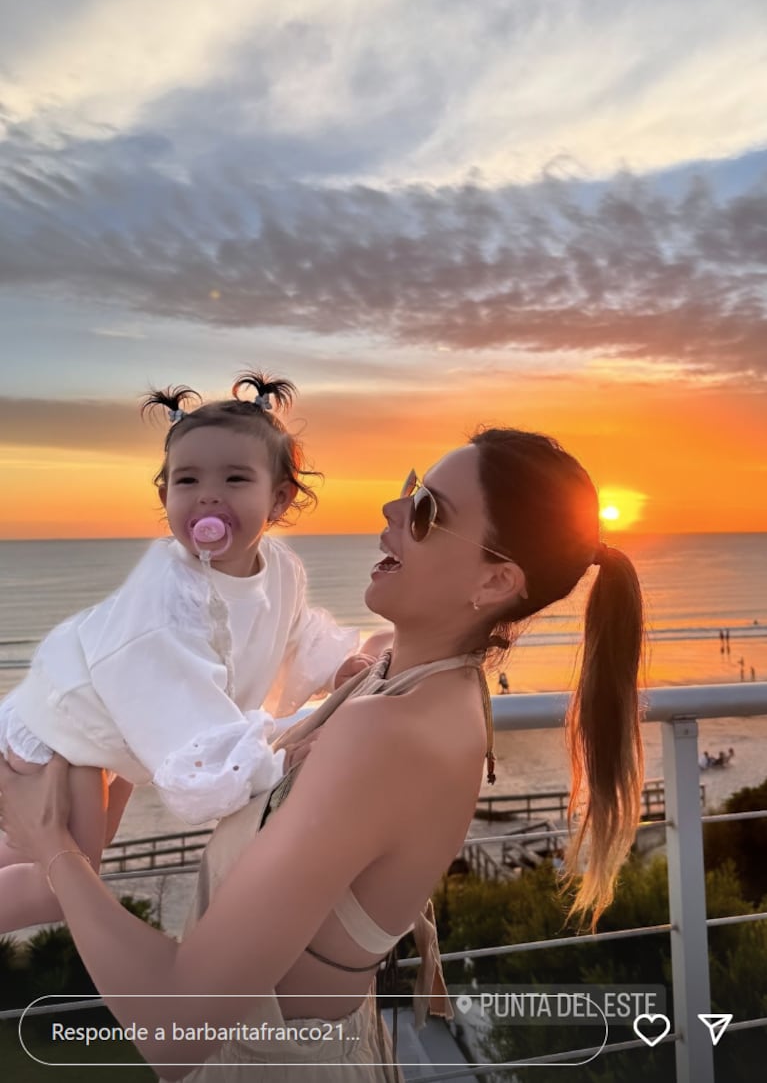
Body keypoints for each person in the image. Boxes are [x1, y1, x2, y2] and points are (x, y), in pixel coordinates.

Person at [0, 427, 646, 1080]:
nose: (392, 511)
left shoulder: (387, 736)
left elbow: (177, 1027)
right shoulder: (416, 679)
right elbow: (335, 662)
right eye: (408, 489)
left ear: (493, 582)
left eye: (426, 512)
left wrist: (55, 848)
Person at [0, 371, 381, 936]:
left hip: (113, 738)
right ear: (165, 497)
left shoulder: (280, 569)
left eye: (234, 478)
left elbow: (292, 631)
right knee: (65, 879)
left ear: (279, 499)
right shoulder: (166, 598)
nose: (208, 495)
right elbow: (183, 710)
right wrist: (269, 764)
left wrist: (335, 666)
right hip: (63, 731)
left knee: (50, 852)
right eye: (187, 480)